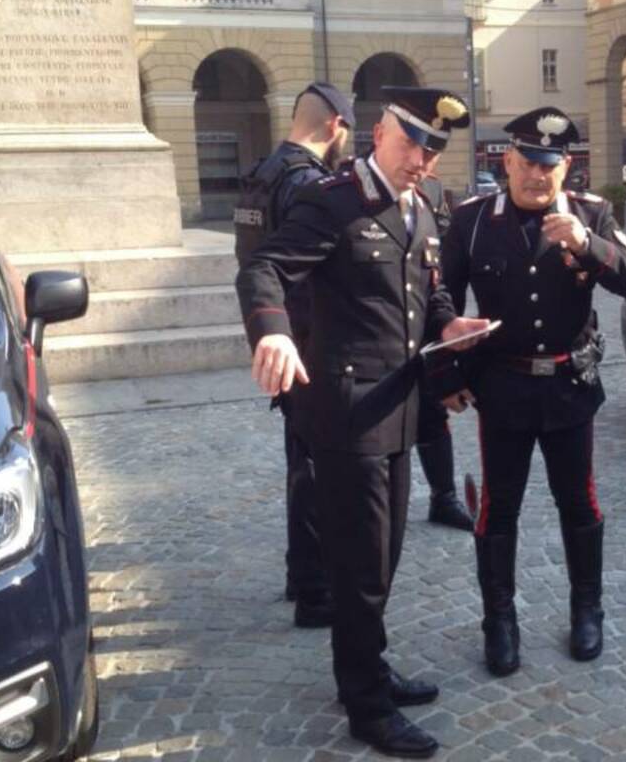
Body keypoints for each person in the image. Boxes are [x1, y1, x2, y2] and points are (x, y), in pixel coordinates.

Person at [235, 86, 489, 759]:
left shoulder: (428, 206)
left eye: (434, 150)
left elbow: (428, 295)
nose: (423, 160)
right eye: (413, 143)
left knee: (384, 557)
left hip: (403, 409)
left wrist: (451, 325)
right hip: (348, 415)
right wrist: (273, 333)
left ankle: (368, 669)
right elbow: (264, 267)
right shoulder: (332, 200)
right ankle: (366, 706)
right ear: (380, 131)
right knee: (359, 565)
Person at [438, 107, 626, 676]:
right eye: (528, 162)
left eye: (550, 166)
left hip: (568, 388)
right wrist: (449, 377)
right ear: (506, 160)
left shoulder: (592, 215)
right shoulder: (473, 220)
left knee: (578, 504)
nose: (538, 176)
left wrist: (588, 246)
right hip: (502, 387)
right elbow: (442, 302)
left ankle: (589, 609)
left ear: (566, 168)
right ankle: (499, 621)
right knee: (499, 509)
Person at [233, 81, 354, 628]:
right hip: (308, 342)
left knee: (301, 465)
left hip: (281, 338)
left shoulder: (262, 173)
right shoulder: (308, 182)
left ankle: (299, 575)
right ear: (335, 126)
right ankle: (316, 592)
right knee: (318, 475)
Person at [415, 176, 474, 532]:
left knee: (432, 414)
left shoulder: (434, 190)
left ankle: (444, 497)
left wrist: (448, 362)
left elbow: (446, 277)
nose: (425, 159)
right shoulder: (353, 189)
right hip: (380, 330)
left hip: (430, 321)